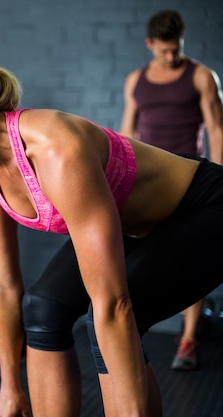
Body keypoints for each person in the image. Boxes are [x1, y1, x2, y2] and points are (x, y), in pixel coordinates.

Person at [0, 28, 223, 417]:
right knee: (43, 307)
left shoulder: (54, 149)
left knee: (109, 326)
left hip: (204, 207)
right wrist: (10, 389)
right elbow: (2, 283)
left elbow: (113, 303)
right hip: (136, 224)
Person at [120, 9, 223, 371]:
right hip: (147, 181)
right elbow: (127, 132)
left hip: (189, 179)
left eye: (176, 48)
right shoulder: (136, 80)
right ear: (150, 44)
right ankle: (131, 337)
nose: (170, 56)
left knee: (190, 258)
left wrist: (219, 180)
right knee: (136, 256)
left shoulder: (201, 76)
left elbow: (216, 129)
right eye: (163, 50)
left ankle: (189, 341)